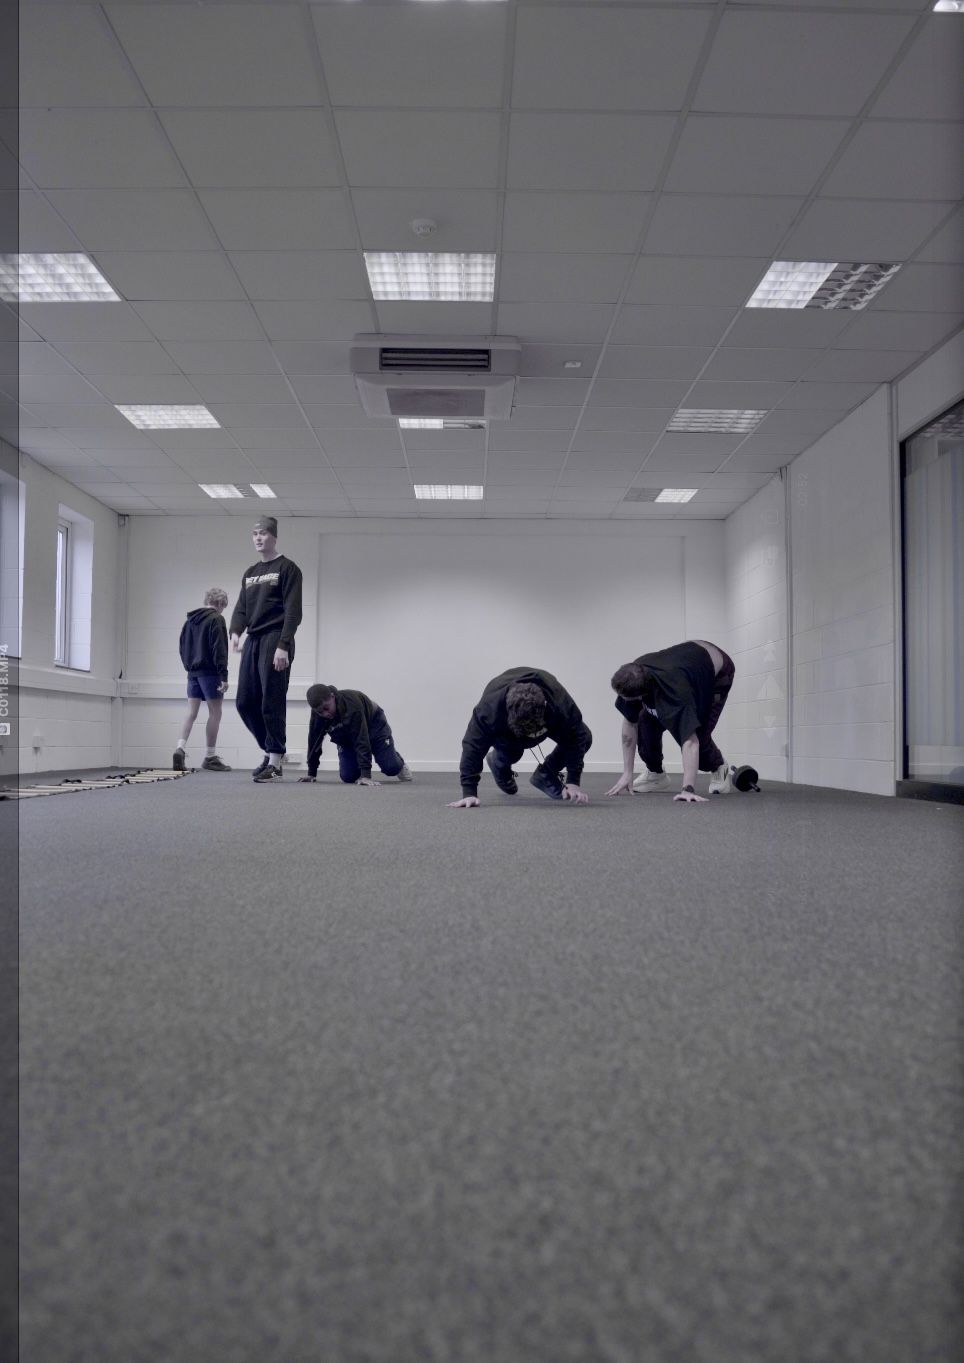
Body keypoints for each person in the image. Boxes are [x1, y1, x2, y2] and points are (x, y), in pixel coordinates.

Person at [606, 640, 736, 804]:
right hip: (686, 660)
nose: (624, 701)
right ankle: (656, 774)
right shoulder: (633, 674)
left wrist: (687, 789)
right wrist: (627, 772)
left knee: (699, 735)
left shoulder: (676, 692)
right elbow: (629, 724)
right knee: (645, 722)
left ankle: (719, 766)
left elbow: (689, 741)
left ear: (641, 695)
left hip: (717, 671)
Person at [448, 667, 591, 809]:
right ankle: (499, 763)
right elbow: (472, 747)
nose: (531, 737)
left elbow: (576, 735)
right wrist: (469, 792)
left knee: (585, 737)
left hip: (549, 720)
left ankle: (546, 774)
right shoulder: (489, 711)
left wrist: (573, 781)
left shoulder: (559, 701)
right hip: (509, 732)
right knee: (514, 752)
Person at [229, 515, 303, 783]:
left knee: (271, 699)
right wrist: (236, 631)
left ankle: (274, 760)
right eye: (254, 534)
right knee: (245, 702)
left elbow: (293, 611)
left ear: (274, 536)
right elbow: (241, 608)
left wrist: (284, 645)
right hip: (254, 639)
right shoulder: (250, 573)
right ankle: (272, 750)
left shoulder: (288, 568)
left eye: (263, 533)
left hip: (275, 638)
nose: (258, 538)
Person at [299, 684, 413, 787]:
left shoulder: (351, 705)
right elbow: (314, 742)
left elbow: (361, 738)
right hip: (346, 735)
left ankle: (397, 761)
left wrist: (366, 776)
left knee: (391, 768)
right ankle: (378, 755)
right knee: (349, 777)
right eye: (320, 712)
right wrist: (311, 773)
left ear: (333, 697)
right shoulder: (318, 716)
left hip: (374, 725)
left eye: (326, 708)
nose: (325, 714)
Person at [173, 587, 232, 772]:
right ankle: (210, 756)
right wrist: (223, 676)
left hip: (192, 674)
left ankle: (180, 748)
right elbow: (219, 649)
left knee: (191, 713)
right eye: (224, 606)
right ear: (220, 603)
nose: (223, 609)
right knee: (216, 713)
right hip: (210, 673)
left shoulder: (189, 621)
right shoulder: (217, 619)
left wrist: (189, 668)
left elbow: (182, 648)